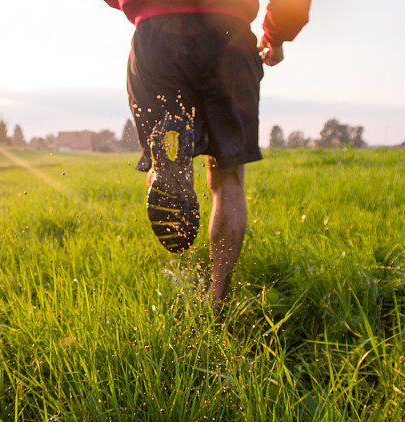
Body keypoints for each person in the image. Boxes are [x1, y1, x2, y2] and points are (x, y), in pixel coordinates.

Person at [104, 0, 311, 312]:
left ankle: (171, 167)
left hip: (156, 33)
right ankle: (219, 299)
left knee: (167, 153)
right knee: (228, 178)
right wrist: (276, 35)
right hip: (230, 33)